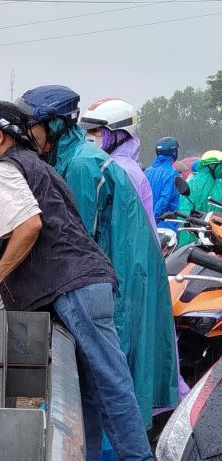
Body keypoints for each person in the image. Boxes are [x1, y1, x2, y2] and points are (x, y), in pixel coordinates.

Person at [0, 100, 168, 461]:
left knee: (110, 383)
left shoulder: (4, 170)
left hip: (71, 286)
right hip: (87, 283)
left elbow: (29, 227)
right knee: (91, 388)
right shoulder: (43, 167)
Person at [16, 85, 179, 431]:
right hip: (117, 262)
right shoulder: (70, 159)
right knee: (107, 369)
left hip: (118, 268)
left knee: (110, 368)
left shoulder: (79, 165)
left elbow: (76, 239)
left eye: (32, 126)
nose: (27, 134)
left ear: (56, 126)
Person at [79, 98, 155, 233]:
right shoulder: (105, 164)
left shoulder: (123, 171)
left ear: (118, 133)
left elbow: (128, 228)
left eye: (95, 130)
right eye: (87, 131)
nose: (88, 136)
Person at [145, 136, 181, 229]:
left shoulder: (147, 171)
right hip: (165, 222)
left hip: (146, 222)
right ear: (173, 152)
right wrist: (154, 218)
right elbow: (165, 199)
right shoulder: (172, 173)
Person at [180, 150, 222, 217]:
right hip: (198, 225)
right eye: (221, 166)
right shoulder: (195, 183)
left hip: (216, 225)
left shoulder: (218, 184)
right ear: (212, 165)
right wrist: (185, 225)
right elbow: (185, 207)